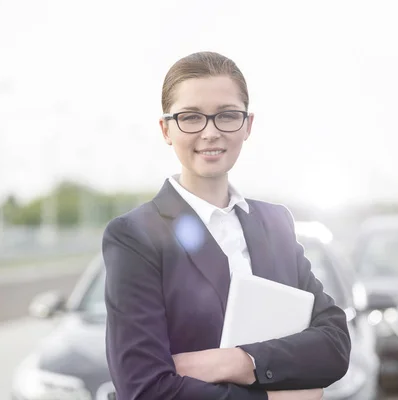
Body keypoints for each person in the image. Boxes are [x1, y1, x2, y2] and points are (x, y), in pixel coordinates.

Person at [103, 51, 351, 400]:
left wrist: (238, 361)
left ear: (248, 125)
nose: (210, 132)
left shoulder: (275, 223)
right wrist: (273, 398)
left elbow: (335, 346)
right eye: (190, 117)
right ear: (166, 129)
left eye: (227, 116)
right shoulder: (135, 235)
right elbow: (144, 389)